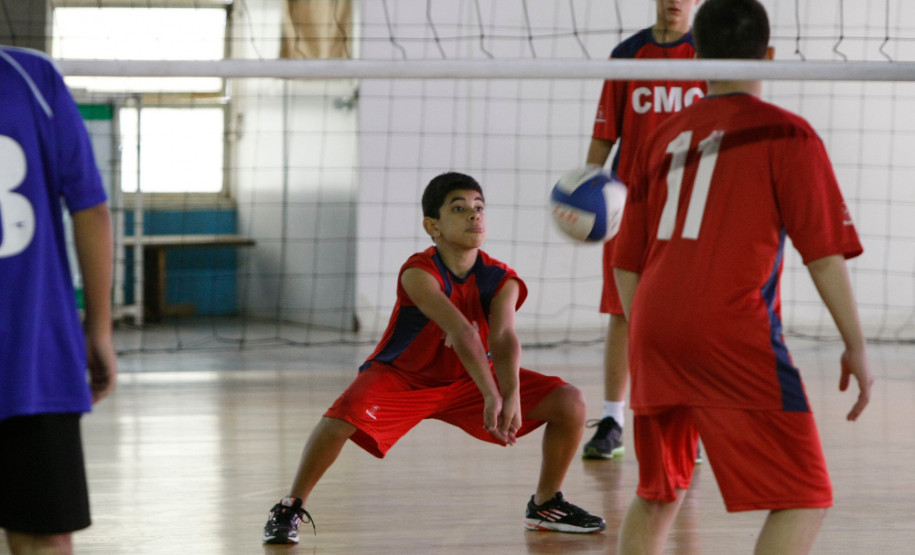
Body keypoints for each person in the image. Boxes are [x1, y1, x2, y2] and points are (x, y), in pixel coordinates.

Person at [610, 0, 874, 553]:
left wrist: (645, 338)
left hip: (651, 324)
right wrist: (856, 345)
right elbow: (823, 256)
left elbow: (626, 262)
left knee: (659, 493)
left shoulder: (662, 137)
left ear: (694, 57)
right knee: (806, 497)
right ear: (770, 56)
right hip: (730, 326)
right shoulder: (788, 135)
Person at [263, 172, 605, 544]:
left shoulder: (500, 278)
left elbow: (504, 338)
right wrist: (493, 395)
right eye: (459, 209)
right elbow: (462, 332)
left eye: (479, 208)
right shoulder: (418, 272)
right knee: (339, 420)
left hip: (467, 379)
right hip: (403, 378)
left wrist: (512, 394)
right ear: (433, 226)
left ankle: (544, 504)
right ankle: (290, 506)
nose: (474, 215)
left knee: (570, 402)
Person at [0, 46, 117, 555]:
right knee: (42, 535)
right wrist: (100, 329)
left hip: (33, 358)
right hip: (32, 354)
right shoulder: (31, 77)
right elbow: (90, 210)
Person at [582, 0, 707, 460]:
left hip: (690, 204)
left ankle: (685, 417)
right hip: (629, 202)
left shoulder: (710, 55)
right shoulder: (627, 55)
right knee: (621, 312)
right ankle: (613, 418)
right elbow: (604, 134)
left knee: (688, 314)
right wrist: (584, 192)